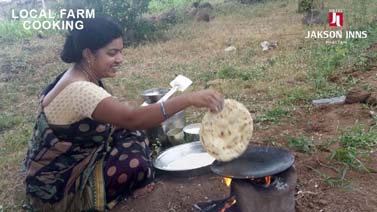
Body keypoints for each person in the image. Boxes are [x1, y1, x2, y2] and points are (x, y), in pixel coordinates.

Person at [22, 16, 224, 211]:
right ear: (88, 54)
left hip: (66, 163)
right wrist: (188, 99)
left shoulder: (77, 74)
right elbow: (133, 119)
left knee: (134, 133)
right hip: (57, 187)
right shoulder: (81, 90)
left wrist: (136, 117)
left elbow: (125, 119)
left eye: (121, 51)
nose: (120, 59)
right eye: (112, 53)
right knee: (135, 164)